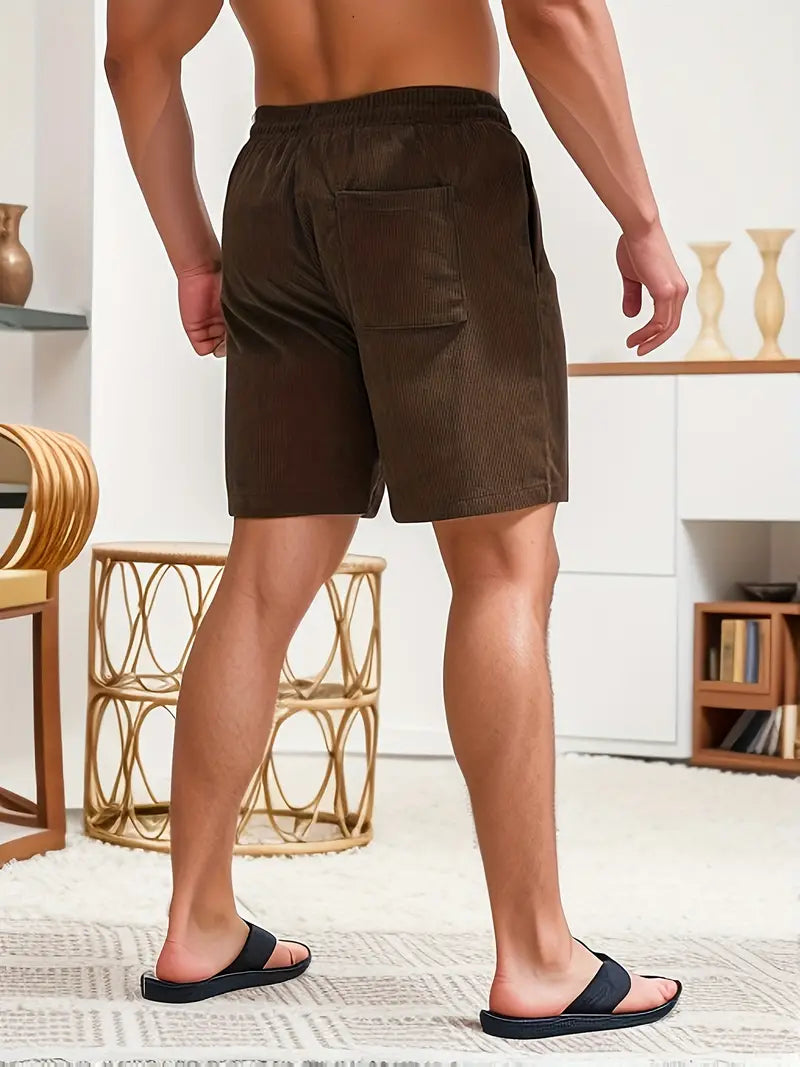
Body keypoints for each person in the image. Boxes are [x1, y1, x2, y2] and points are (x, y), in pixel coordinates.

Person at [105, 0, 688, 1040]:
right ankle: (537, 957)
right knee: (504, 566)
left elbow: (134, 52)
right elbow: (552, 14)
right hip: (435, 168)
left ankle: (196, 922)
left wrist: (194, 255)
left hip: (273, 185)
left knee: (265, 568)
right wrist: (639, 218)